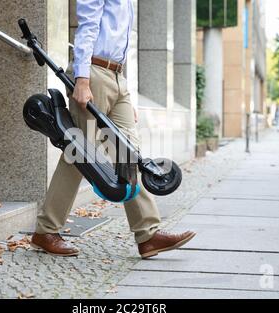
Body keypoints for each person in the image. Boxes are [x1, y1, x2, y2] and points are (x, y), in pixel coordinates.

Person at [31, 0, 196, 259]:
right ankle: (46, 231)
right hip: (94, 73)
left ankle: (148, 235)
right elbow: (87, 26)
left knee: (128, 154)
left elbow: (120, 39)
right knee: (78, 155)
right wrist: (82, 80)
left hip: (117, 77)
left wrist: (122, 91)